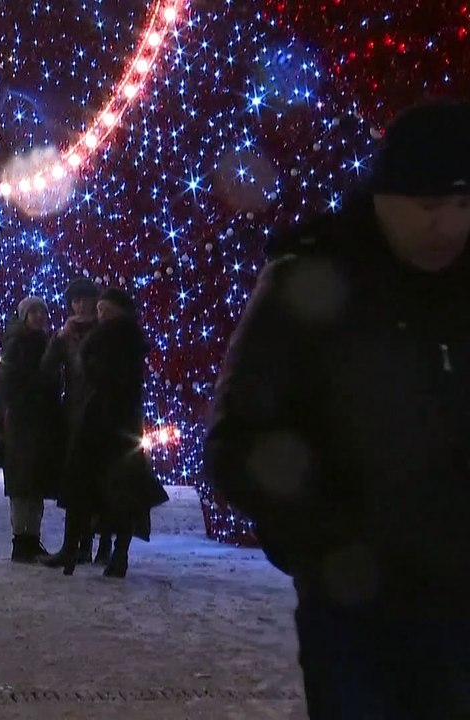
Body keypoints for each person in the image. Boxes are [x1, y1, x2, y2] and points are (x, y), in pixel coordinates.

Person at [203, 100, 470, 719]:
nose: (450, 227)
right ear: (385, 197)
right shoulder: (314, 281)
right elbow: (239, 441)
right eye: (431, 206)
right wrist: (328, 544)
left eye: (464, 205)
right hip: (356, 607)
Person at [47, 288, 167, 577]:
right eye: (99, 310)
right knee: (96, 487)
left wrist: (85, 358)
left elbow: (109, 380)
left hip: (111, 425)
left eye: (106, 310)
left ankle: (101, 552)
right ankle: (85, 550)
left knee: (113, 490)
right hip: (104, 423)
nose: (100, 315)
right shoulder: (107, 339)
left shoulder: (120, 342)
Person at [39, 276, 107, 564]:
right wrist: (58, 341)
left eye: (84, 299)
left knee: (103, 481)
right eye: (74, 301)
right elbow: (47, 369)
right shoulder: (66, 334)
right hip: (75, 415)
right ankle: (78, 545)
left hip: (103, 414)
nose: (79, 306)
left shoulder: (105, 332)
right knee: (76, 481)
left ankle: (103, 545)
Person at [0, 296, 63, 563]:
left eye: (41, 312)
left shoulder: (44, 342)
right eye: (33, 312)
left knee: (33, 483)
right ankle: (22, 540)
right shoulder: (19, 344)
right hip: (24, 422)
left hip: (39, 422)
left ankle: (31, 539)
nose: (38, 316)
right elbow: (11, 383)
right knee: (23, 484)